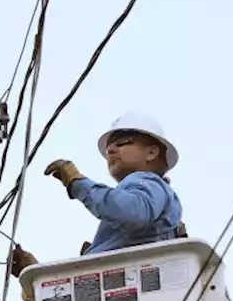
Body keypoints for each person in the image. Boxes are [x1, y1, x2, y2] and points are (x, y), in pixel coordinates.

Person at [10, 112, 183, 276]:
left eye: (122, 142)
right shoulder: (148, 196)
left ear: (151, 152)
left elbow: (131, 212)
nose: (111, 150)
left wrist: (78, 184)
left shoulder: (148, 182)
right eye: (109, 147)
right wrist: (34, 273)